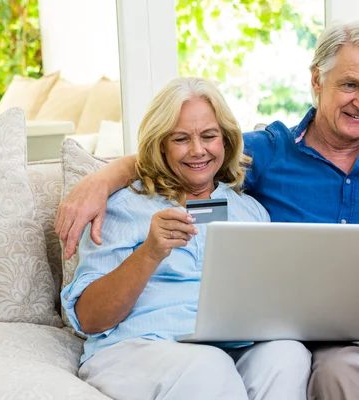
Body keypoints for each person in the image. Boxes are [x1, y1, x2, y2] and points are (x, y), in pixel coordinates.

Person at [56, 22, 359, 400]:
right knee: (334, 369)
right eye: (350, 84)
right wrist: (105, 176)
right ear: (317, 82)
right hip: (341, 344)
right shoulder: (271, 152)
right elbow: (193, 151)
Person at [60, 77, 311, 400]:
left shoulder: (250, 211)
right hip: (139, 348)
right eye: (181, 138)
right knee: (209, 366)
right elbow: (90, 319)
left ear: (226, 141)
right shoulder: (123, 207)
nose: (198, 150)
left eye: (209, 136)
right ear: (161, 143)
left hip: (229, 346)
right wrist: (149, 253)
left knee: (287, 354)